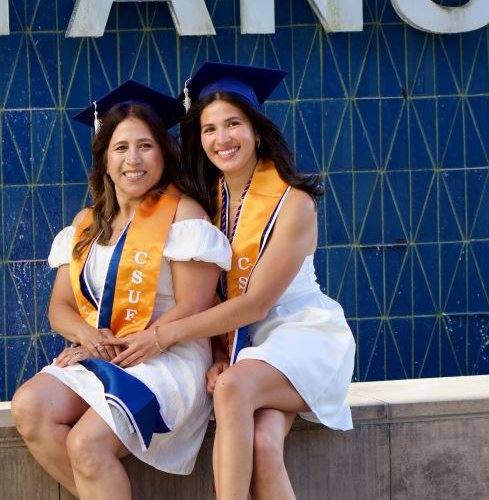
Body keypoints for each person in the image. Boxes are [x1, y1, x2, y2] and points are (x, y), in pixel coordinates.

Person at [105, 62, 356, 500]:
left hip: (301, 337)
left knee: (234, 386)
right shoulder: (209, 204)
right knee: (261, 444)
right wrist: (220, 353)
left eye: (233, 124)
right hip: (249, 348)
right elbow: (218, 297)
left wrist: (164, 336)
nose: (221, 139)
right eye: (209, 129)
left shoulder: (292, 204)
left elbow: (256, 303)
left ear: (256, 130)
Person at [10, 80, 231, 500]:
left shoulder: (182, 213)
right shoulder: (86, 224)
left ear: (164, 155)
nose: (134, 159)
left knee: (87, 444)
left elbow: (196, 303)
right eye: (121, 148)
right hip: (106, 350)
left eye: (146, 146)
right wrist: (88, 336)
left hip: (168, 352)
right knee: (30, 407)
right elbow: (60, 308)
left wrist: (141, 341)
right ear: (105, 160)